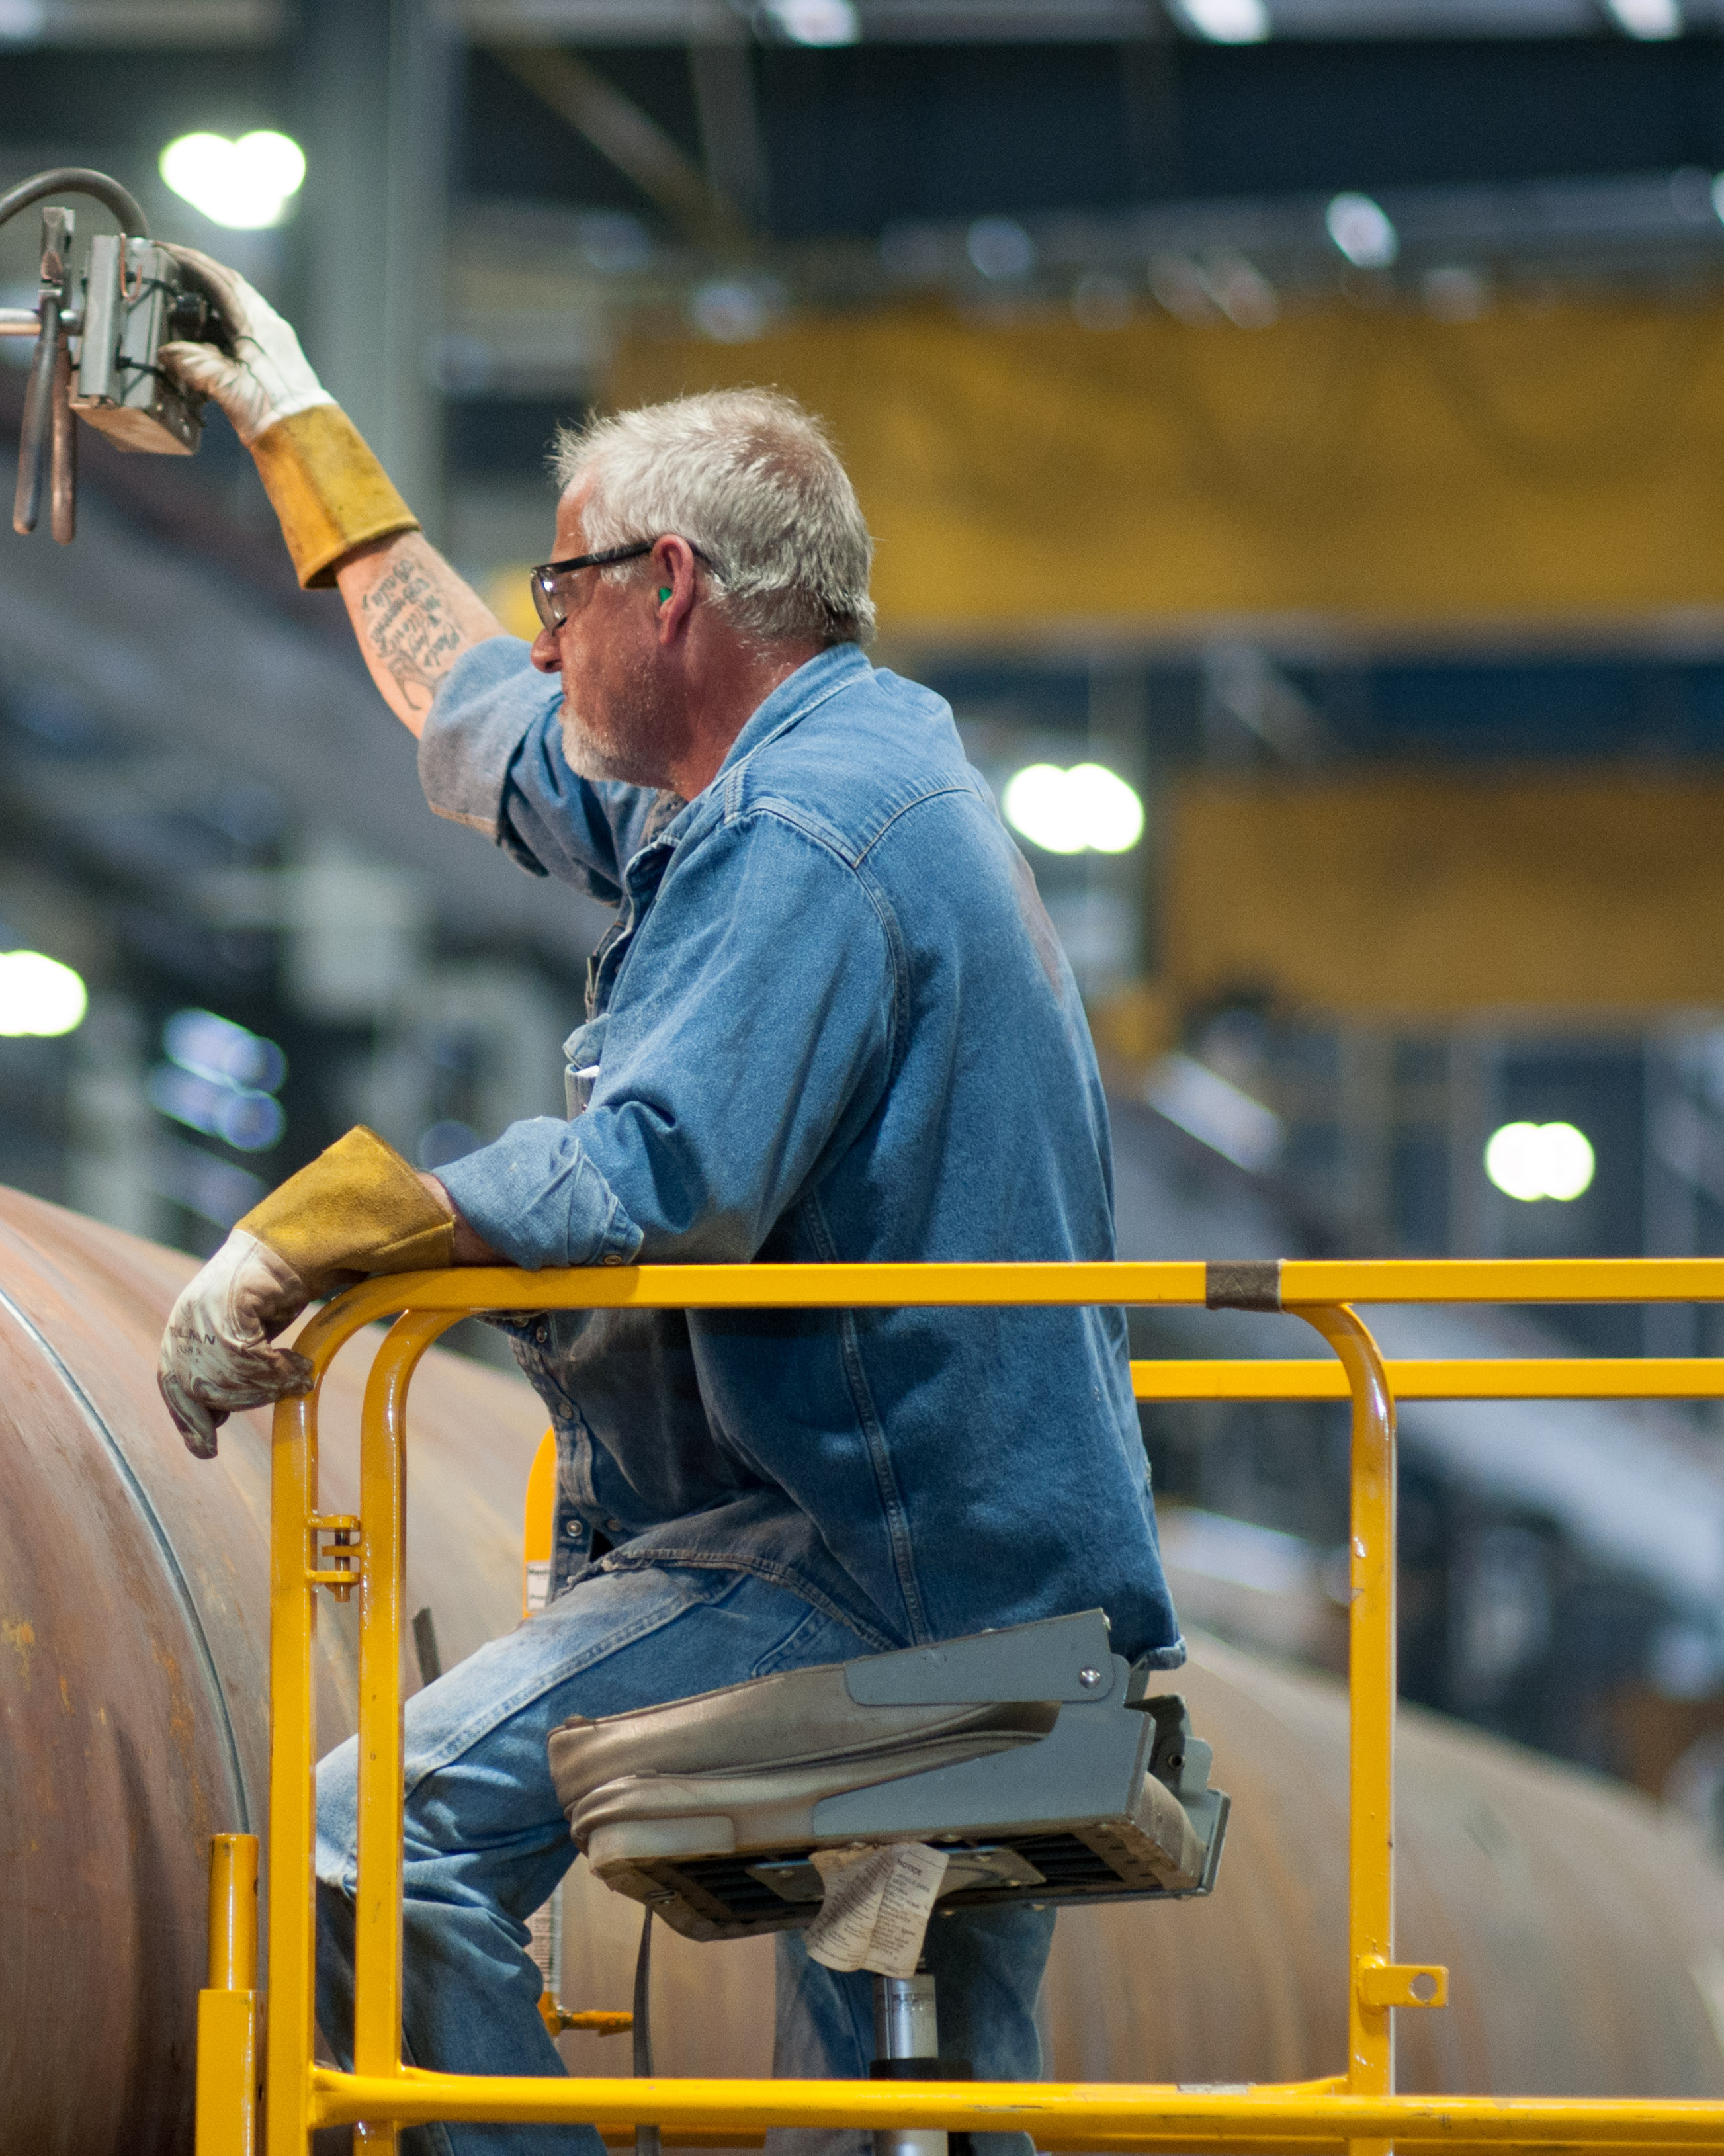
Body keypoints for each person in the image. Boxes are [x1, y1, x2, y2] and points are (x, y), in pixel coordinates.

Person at [149, 255, 1181, 2156]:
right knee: (902, 2127)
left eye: (562, 594)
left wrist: (302, 1230)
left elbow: (654, 1179)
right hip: (993, 1568)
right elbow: (483, 727)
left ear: (670, 591)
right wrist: (295, 423)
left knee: (361, 1847)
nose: (546, 644)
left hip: (877, 1575)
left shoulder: (800, 837)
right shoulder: (812, 769)